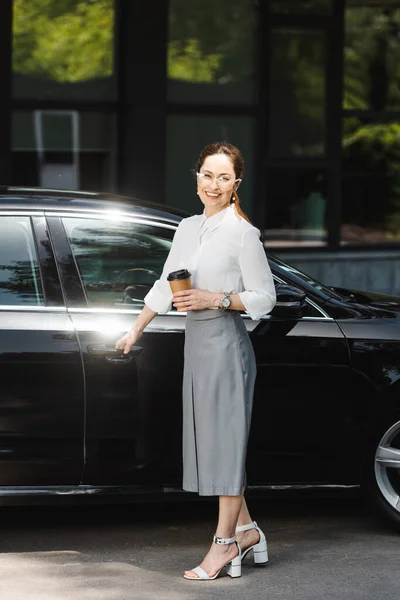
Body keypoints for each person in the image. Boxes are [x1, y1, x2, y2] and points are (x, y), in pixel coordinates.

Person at [115, 141, 276, 580]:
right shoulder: (187, 227)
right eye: (208, 175)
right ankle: (247, 531)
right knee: (215, 445)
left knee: (225, 445)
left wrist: (217, 298)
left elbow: (265, 298)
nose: (214, 185)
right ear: (197, 177)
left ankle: (224, 547)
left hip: (226, 345)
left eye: (224, 178)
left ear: (236, 184)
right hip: (196, 346)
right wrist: (136, 328)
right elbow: (166, 284)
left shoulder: (244, 234)